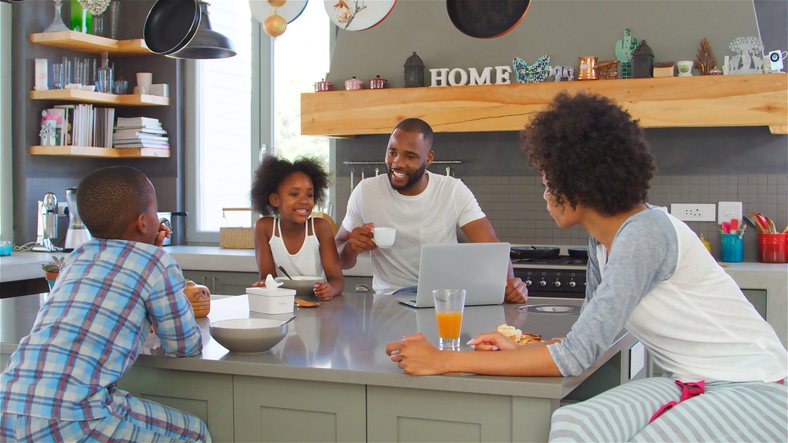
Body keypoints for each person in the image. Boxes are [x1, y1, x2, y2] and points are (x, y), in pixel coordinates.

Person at [385, 92, 787, 441]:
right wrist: (531, 347)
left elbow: (575, 358)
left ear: (577, 187)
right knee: (575, 425)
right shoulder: (602, 241)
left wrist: (444, 359)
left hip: (756, 386)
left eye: (547, 183)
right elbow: (583, 341)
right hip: (690, 382)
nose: (544, 195)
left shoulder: (645, 234)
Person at [0, 166, 210, 442]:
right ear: (143, 222)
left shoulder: (76, 258)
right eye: (155, 210)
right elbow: (184, 346)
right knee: (193, 434)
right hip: (73, 414)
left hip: (8, 403)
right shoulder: (157, 263)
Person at [335, 118, 527, 303]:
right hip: (390, 299)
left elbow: (491, 246)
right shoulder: (365, 191)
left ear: (429, 158)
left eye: (410, 156)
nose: (398, 163)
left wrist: (510, 284)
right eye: (392, 152)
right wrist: (351, 248)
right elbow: (339, 256)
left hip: (444, 299)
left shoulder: (452, 190)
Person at [251, 155, 344, 300]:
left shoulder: (320, 227)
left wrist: (330, 290)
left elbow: (337, 279)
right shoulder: (264, 228)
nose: (304, 201)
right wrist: (264, 284)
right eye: (294, 194)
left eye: (309, 195)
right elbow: (268, 278)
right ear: (275, 199)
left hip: (318, 304)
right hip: (283, 304)